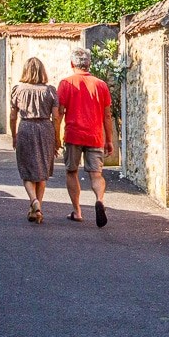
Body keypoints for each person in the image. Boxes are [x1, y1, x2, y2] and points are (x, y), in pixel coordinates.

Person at [57, 48, 116, 227]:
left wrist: (55, 136)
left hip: (73, 135)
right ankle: (99, 199)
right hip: (95, 135)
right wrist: (109, 140)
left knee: (71, 171)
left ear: (72, 64)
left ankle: (77, 211)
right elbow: (107, 115)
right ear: (89, 64)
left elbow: (59, 112)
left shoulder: (66, 83)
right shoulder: (101, 85)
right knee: (96, 174)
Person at [9, 57, 61, 223]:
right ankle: (38, 211)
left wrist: (14, 135)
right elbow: (56, 118)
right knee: (42, 171)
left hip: (26, 128)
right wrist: (57, 138)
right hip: (45, 129)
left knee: (26, 169)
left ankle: (33, 201)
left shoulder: (18, 90)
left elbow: (12, 116)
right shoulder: (50, 91)